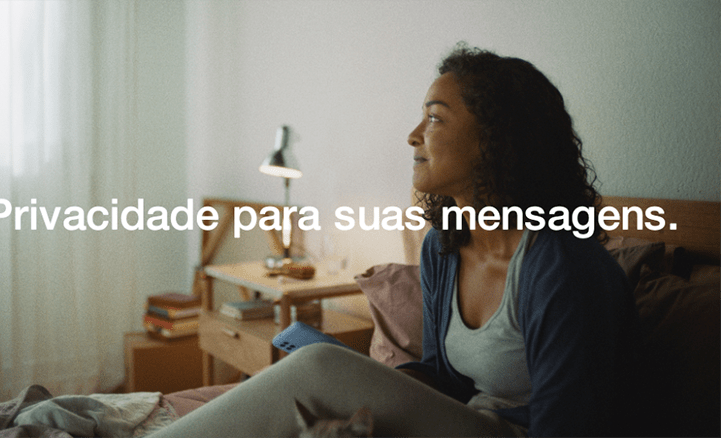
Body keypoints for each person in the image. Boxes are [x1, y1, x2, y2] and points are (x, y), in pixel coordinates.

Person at [147, 43, 638, 437]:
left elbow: (570, 424)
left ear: (496, 139)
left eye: (435, 118)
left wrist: (343, 376)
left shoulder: (563, 267)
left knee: (318, 366)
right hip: (464, 419)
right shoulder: (444, 247)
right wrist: (377, 381)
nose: (413, 135)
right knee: (321, 378)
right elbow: (442, 379)